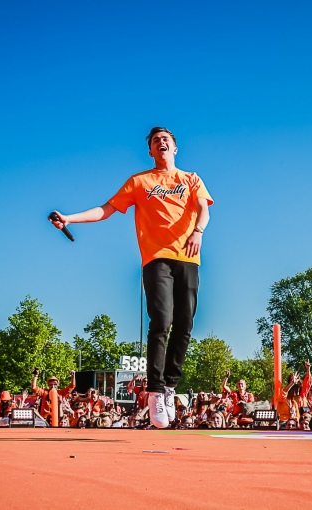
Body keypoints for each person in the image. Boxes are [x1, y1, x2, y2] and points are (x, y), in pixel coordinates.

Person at [50, 127, 213, 429]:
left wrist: (198, 232)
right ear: (151, 151)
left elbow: (204, 210)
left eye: (166, 139)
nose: (160, 142)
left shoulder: (191, 179)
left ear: (175, 148)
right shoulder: (140, 181)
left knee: (186, 323)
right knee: (161, 320)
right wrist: (69, 218)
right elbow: (106, 210)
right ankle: (154, 390)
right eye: (155, 141)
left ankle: (169, 386)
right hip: (156, 259)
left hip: (188, 257)